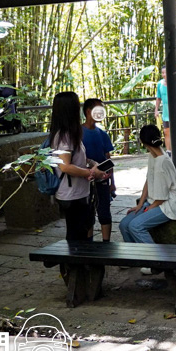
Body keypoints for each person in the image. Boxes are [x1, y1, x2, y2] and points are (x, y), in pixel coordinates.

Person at [120, 125, 176, 273]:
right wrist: (140, 204)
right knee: (124, 224)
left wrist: (147, 209)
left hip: (168, 204)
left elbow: (161, 199)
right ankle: (135, 258)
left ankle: (157, 263)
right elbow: (148, 181)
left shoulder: (163, 161)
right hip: (154, 201)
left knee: (135, 226)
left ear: (144, 142)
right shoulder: (153, 156)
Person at [48, 92, 104, 242]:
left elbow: (79, 158)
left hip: (78, 191)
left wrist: (93, 164)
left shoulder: (71, 133)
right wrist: (89, 172)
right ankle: (73, 264)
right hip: (71, 193)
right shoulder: (64, 136)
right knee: (76, 233)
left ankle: (78, 263)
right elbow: (65, 166)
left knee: (81, 229)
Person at [82, 98, 116, 241]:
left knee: (104, 212)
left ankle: (106, 244)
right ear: (88, 111)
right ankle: (89, 245)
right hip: (84, 181)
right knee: (88, 214)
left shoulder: (102, 134)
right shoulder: (77, 133)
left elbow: (108, 160)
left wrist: (112, 183)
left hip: (103, 180)